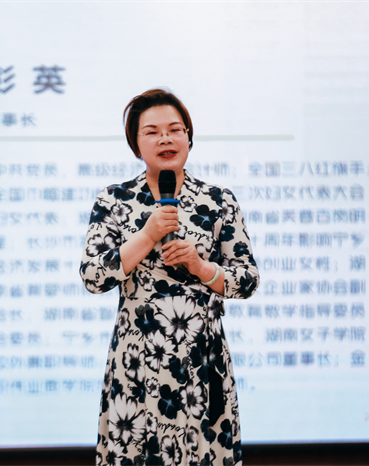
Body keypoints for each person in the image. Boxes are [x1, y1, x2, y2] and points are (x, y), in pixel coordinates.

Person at [80, 88, 259, 465]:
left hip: (201, 360)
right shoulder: (113, 201)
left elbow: (246, 279)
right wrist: (146, 236)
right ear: (136, 144)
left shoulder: (218, 200)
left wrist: (202, 267)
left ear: (189, 138)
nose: (165, 139)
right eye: (152, 132)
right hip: (137, 360)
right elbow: (94, 276)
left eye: (175, 130)